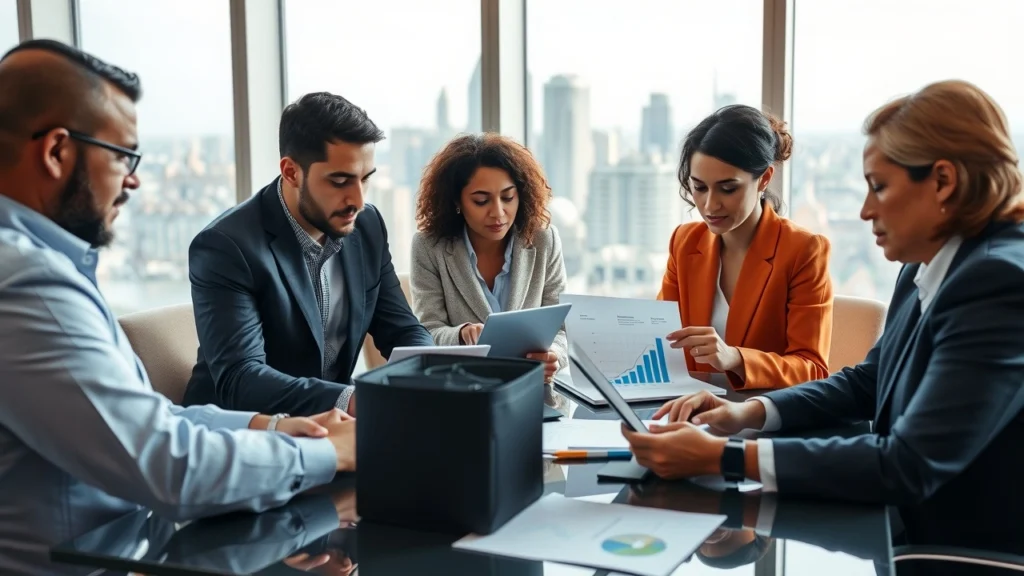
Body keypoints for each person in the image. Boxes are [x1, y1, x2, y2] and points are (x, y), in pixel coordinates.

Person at [623, 80, 1024, 555]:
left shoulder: (996, 281)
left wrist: (724, 456)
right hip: (903, 532)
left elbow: (907, 464)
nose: (865, 210)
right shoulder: (926, 264)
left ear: (942, 181)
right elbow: (867, 383)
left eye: (879, 187)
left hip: (960, 553)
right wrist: (747, 413)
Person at [0, 40, 355, 575]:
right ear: (56, 152)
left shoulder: (41, 266)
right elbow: (166, 465)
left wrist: (271, 428)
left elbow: (145, 419)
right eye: (122, 155)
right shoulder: (27, 284)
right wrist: (333, 453)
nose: (133, 179)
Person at [183, 92, 433, 416]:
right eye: (340, 181)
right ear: (291, 172)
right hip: (243, 432)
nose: (358, 200)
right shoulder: (226, 247)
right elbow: (242, 380)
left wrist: (431, 375)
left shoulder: (367, 225)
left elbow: (402, 329)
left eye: (365, 179)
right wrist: (354, 400)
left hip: (332, 423)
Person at [659, 105, 833, 390]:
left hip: (761, 409)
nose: (710, 205)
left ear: (764, 179)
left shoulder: (803, 251)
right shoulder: (684, 242)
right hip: (690, 404)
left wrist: (735, 359)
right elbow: (660, 337)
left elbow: (812, 369)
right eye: (699, 188)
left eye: (728, 189)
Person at [410, 133, 567, 382]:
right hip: (465, 389)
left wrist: (553, 355)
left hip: (533, 388)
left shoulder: (544, 240)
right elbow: (427, 331)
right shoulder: (429, 247)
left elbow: (562, 328)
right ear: (457, 201)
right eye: (481, 201)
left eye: (508, 197)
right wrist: (461, 335)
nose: (498, 212)